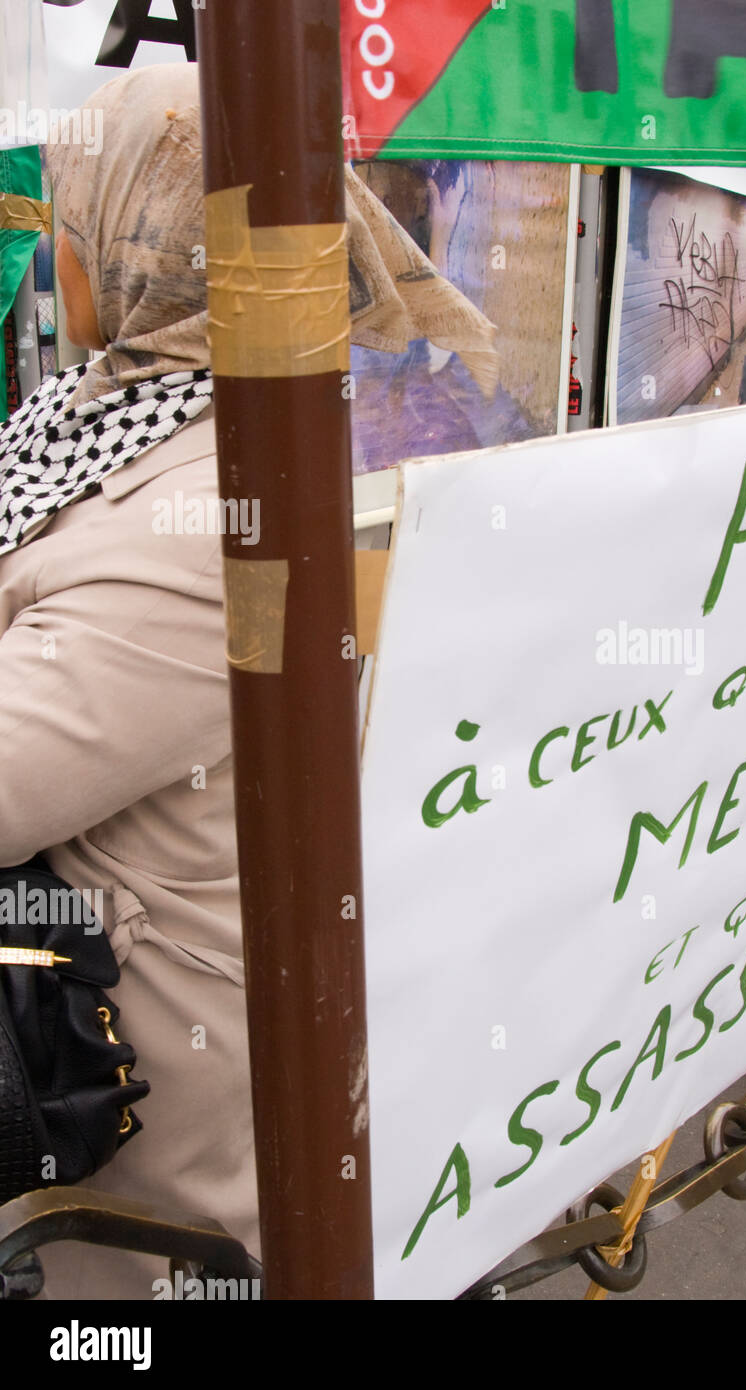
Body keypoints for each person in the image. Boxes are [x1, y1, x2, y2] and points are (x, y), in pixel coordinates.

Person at [0, 64, 496, 1298]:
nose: (55, 254)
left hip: (138, 1092)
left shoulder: (210, 503)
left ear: (145, 243)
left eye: (68, 221)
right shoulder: (134, 413)